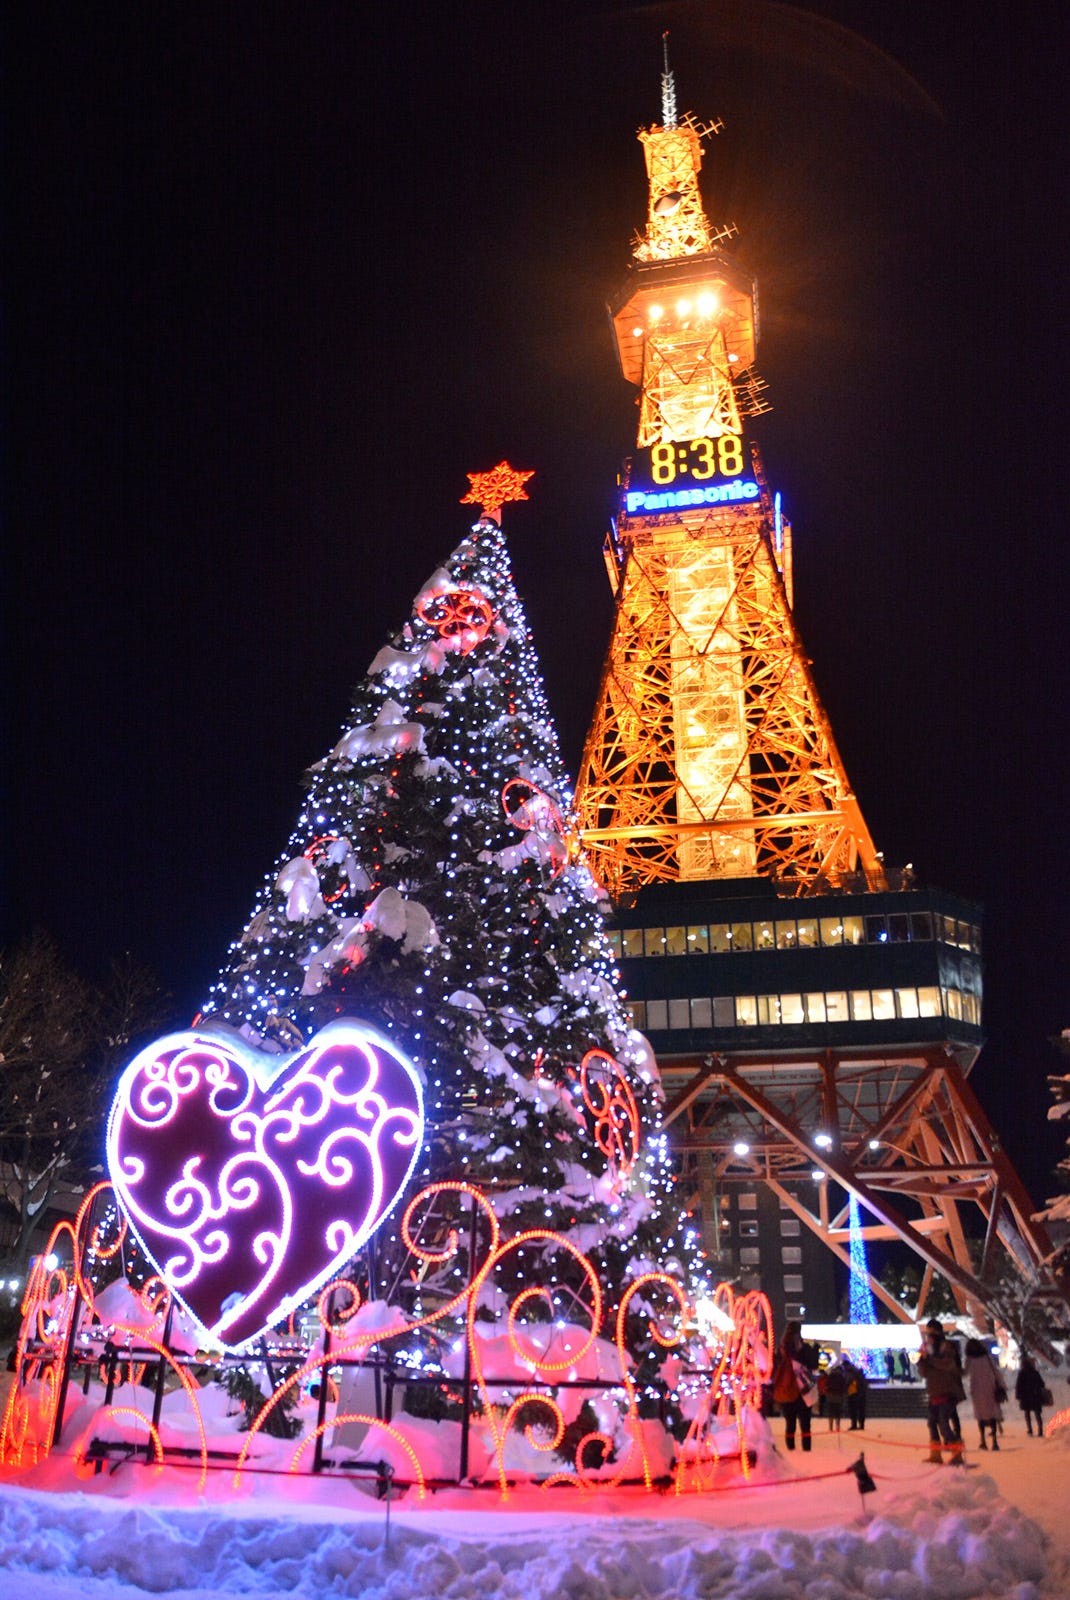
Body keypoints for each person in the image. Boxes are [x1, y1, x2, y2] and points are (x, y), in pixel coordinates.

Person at [917, 1318, 964, 1464]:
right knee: (932, 1422)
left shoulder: (947, 1346)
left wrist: (930, 1360)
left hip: (948, 1389)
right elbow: (924, 1373)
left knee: (944, 1422)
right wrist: (922, 1361)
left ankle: (957, 1452)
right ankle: (935, 1454)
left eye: (932, 1331)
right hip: (934, 1390)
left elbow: (947, 1365)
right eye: (928, 1331)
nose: (930, 1334)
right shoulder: (927, 1348)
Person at [772, 1320, 816, 1452]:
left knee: (790, 1423)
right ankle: (806, 1449)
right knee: (805, 1424)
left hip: (787, 1389)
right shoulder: (802, 1348)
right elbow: (811, 1365)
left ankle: (791, 1449)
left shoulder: (781, 1349)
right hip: (802, 1389)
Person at [963, 1337, 1004, 1451]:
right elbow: (996, 1372)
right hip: (990, 1387)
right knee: (992, 1414)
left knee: (980, 1415)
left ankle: (983, 1441)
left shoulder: (969, 1359)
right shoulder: (987, 1357)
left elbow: (965, 1373)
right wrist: (1001, 1385)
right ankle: (994, 1441)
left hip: (977, 1389)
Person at [1015, 1353, 1046, 1437]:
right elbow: (1042, 1384)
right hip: (1035, 1395)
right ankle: (1040, 1430)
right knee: (1037, 1414)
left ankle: (1030, 1430)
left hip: (1025, 1396)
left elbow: (1018, 1385)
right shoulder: (1035, 1373)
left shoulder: (1022, 1373)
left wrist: (1018, 1395)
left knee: (1027, 1413)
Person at [823, 1357, 847, 1432]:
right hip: (838, 1397)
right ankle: (838, 1426)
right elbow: (843, 1387)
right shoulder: (841, 1377)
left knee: (831, 1412)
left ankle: (830, 1427)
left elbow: (827, 1385)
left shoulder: (830, 1376)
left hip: (830, 1396)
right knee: (838, 1413)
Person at [844, 1359, 868, 1431]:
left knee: (853, 1410)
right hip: (860, 1393)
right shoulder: (857, 1372)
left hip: (853, 1393)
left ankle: (854, 1424)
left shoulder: (849, 1372)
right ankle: (861, 1425)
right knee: (861, 1410)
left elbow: (847, 1382)